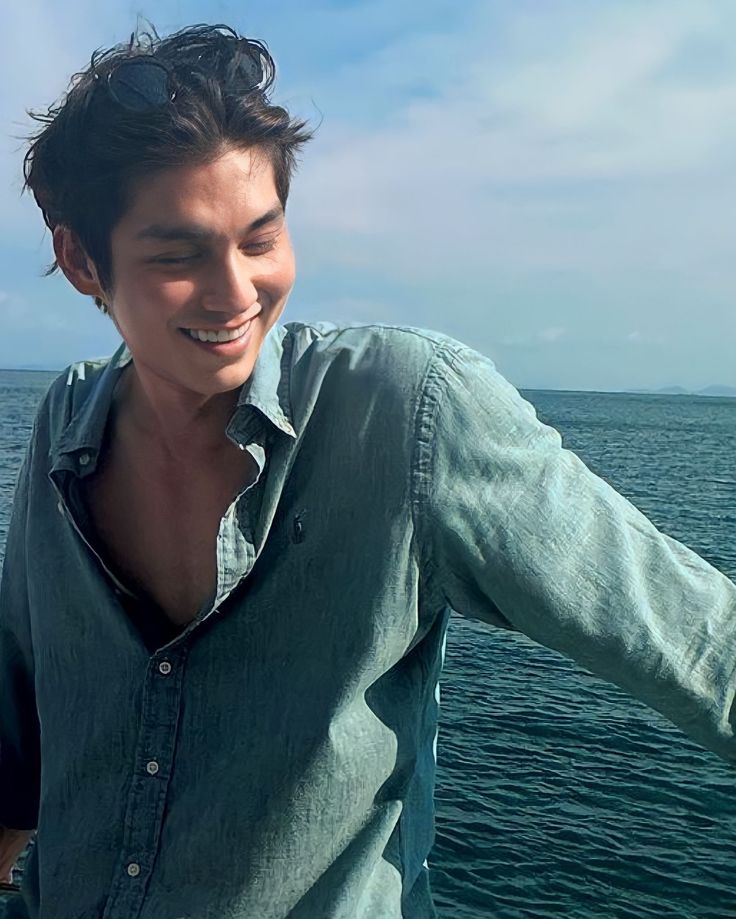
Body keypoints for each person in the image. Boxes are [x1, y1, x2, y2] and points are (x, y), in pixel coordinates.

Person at [1, 21, 734, 919]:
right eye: (179, 255)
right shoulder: (63, 430)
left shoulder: (410, 414)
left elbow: (701, 645)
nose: (236, 294)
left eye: (260, 239)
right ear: (83, 261)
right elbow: (21, 702)